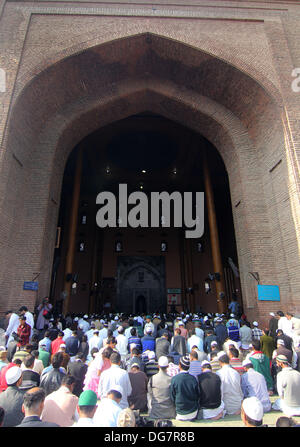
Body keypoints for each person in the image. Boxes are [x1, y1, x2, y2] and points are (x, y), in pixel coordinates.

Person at [170, 356, 200, 421]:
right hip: (193, 413)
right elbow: (198, 396)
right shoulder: (193, 379)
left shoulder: (175, 379)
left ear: (179, 365)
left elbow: (172, 397)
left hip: (180, 413)